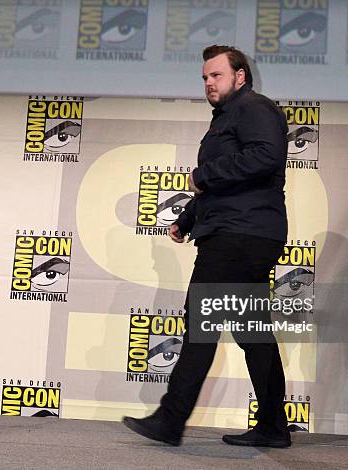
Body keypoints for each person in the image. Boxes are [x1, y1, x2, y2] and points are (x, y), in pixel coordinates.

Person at [123, 45, 290, 448]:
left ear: (240, 76)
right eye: (205, 78)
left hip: (239, 236)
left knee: (200, 323)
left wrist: (204, 172)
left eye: (216, 75)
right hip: (242, 232)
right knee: (253, 333)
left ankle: (171, 419)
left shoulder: (254, 108)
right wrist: (187, 219)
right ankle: (272, 425)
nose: (208, 83)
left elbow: (266, 157)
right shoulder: (229, 118)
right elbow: (226, 184)